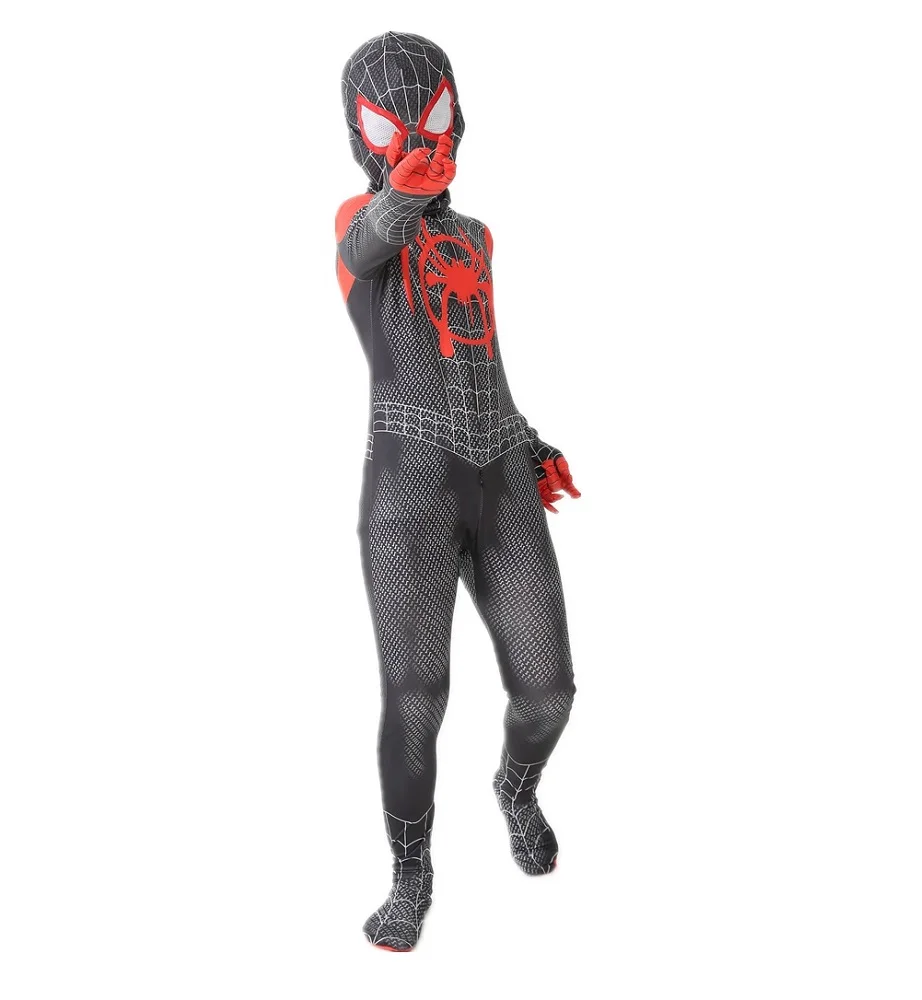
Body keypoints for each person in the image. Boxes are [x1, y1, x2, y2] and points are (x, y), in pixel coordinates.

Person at [336, 31, 581, 951]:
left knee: (549, 690)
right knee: (417, 695)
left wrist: (529, 437)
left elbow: (479, 361)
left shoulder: (477, 238)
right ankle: (412, 876)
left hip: (500, 472)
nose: (417, 140)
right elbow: (369, 242)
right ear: (361, 138)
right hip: (408, 489)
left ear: (459, 116)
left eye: (434, 116)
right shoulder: (355, 229)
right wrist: (400, 190)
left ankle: (516, 791)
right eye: (389, 127)